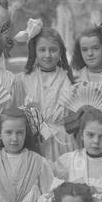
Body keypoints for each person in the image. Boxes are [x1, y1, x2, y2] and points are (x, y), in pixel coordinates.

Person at [15, 20, 75, 163]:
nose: (47, 55)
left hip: (63, 140)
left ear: (60, 52)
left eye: (53, 50)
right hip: (33, 140)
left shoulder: (68, 78)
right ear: (34, 51)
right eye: (42, 50)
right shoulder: (22, 79)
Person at [71, 19, 102, 88]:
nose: (90, 53)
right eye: (84, 50)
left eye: (95, 48)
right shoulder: (74, 77)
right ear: (79, 52)